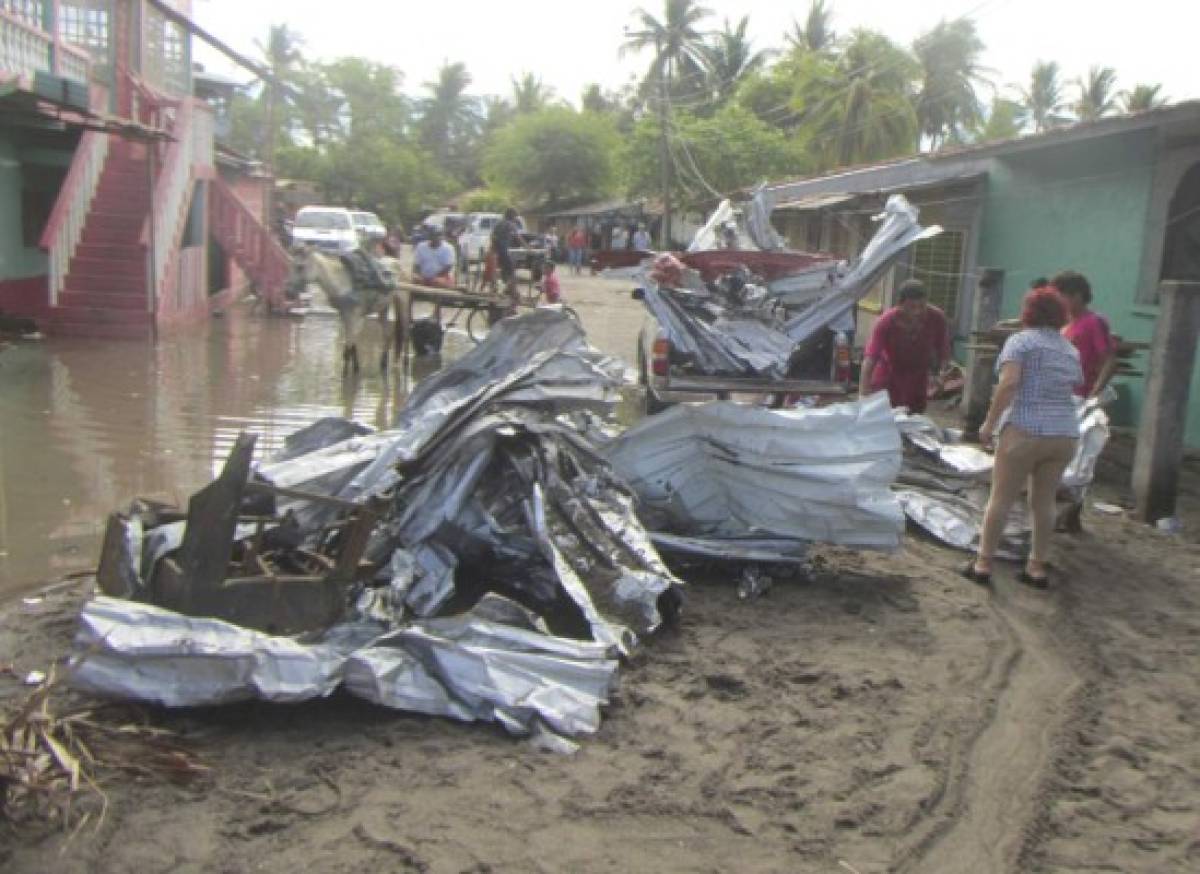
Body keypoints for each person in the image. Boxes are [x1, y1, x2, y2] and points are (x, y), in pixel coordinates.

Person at [964, 287, 1083, 589]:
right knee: (1043, 502)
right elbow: (1076, 385)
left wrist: (989, 424)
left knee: (1000, 498)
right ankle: (1036, 567)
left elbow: (1009, 384)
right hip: (1064, 434)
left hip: (1024, 429)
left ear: (1028, 312)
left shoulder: (1020, 343)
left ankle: (983, 564)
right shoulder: (1070, 349)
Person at [859, 279, 952, 414]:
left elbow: (944, 351)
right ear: (900, 305)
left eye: (921, 306)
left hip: (918, 380)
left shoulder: (936, 318)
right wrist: (863, 393)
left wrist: (941, 376)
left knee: (913, 421)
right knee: (884, 420)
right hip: (888, 378)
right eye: (911, 307)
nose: (917, 312)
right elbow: (870, 358)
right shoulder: (886, 322)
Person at [1052, 270, 1118, 399]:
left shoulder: (1094, 322)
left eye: (1062, 296)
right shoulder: (1064, 326)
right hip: (1061, 397)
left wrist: (1094, 394)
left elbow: (1109, 361)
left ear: (1077, 296)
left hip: (1081, 397)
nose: (1058, 302)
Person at [490, 207, 523, 306]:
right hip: (503, 251)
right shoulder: (510, 224)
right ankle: (513, 294)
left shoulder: (498, 223)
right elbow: (518, 237)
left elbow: (492, 236)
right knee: (512, 272)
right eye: (515, 216)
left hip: (496, 251)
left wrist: (494, 248)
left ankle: (506, 291)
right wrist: (527, 247)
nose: (515, 218)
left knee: (505, 273)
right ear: (511, 215)